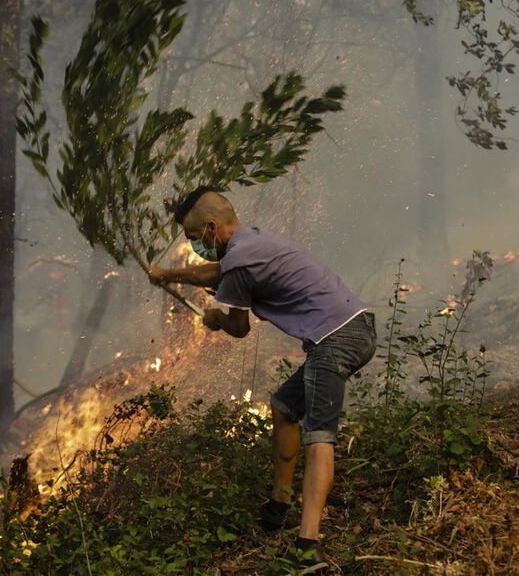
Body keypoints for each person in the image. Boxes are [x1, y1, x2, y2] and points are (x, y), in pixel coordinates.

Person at [148, 187, 377, 573]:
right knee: (285, 407)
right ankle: (279, 504)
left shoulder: (239, 263)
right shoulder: (251, 240)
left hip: (333, 338)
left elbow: (237, 329)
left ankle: (308, 547)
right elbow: (216, 272)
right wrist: (169, 276)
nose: (193, 246)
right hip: (353, 328)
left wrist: (214, 317)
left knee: (319, 436)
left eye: (192, 239)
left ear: (210, 227)